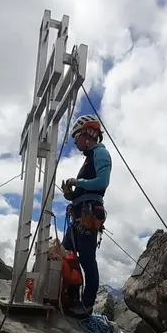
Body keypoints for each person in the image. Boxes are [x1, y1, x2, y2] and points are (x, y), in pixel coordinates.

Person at [60, 114, 110, 317]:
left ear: (87, 135)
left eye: (76, 137)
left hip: (89, 213)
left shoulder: (101, 153)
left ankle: (87, 305)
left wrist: (78, 182)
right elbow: (90, 186)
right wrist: (72, 195)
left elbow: (102, 182)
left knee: (87, 259)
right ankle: (71, 297)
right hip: (81, 212)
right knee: (67, 252)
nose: (75, 142)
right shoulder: (91, 157)